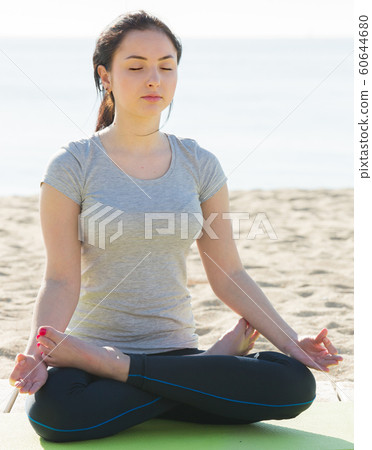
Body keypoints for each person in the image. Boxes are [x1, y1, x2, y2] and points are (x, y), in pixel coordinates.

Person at [9, 10, 342, 443]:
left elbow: (229, 272)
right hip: (91, 356)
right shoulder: (72, 165)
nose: (154, 79)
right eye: (136, 67)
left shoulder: (199, 163)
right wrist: (40, 352)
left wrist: (292, 342)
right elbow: (59, 278)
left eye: (166, 67)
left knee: (294, 383)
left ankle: (127, 371)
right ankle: (185, 377)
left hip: (177, 352)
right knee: (56, 416)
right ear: (105, 76)